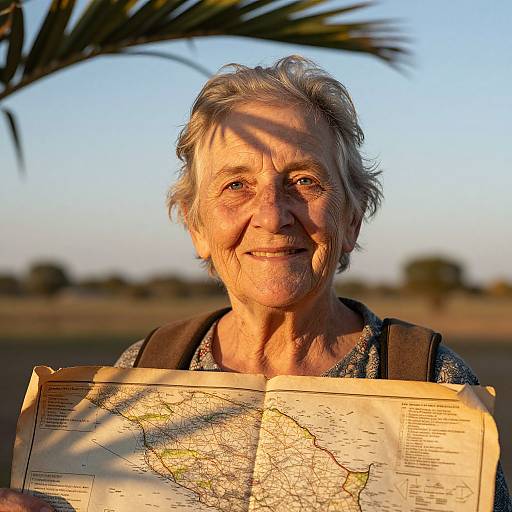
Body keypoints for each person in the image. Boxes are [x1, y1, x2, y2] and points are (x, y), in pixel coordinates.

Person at [2, 55, 510, 511]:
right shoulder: (145, 369)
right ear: (197, 226)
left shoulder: (430, 379)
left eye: (305, 181)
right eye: (236, 185)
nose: (271, 215)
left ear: (351, 219)